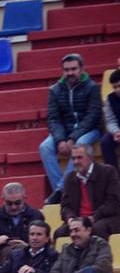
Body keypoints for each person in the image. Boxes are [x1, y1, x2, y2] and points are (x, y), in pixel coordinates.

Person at [40, 53, 104, 203]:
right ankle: (62, 191)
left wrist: (72, 138)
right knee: (44, 147)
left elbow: (93, 116)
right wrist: (60, 140)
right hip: (64, 131)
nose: (70, 73)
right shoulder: (55, 90)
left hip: (89, 130)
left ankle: (61, 189)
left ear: (81, 69)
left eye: (73, 69)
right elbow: (53, 118)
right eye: (66, 70)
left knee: (79, 144)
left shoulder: (93, 87)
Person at [0, 182, 45, 269]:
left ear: (24, 198)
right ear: (3, 199)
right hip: (2, 262)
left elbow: (45, 243)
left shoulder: (36, 215)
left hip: (30, 262)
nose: (13, 207)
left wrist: (28, 246)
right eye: (9, 203)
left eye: (17, 203)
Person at [59, 143, 120, 239]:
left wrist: (93, 218)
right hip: (79, 221)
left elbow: (113, 203)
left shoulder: (108, 172)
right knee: (59, 233)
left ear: (90, 158)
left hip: (106, 218)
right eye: (73, 158)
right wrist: (70, 218)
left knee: (96, 229)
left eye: (79, 158)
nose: (76, 161)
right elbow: (65, 206)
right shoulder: (69, 178)